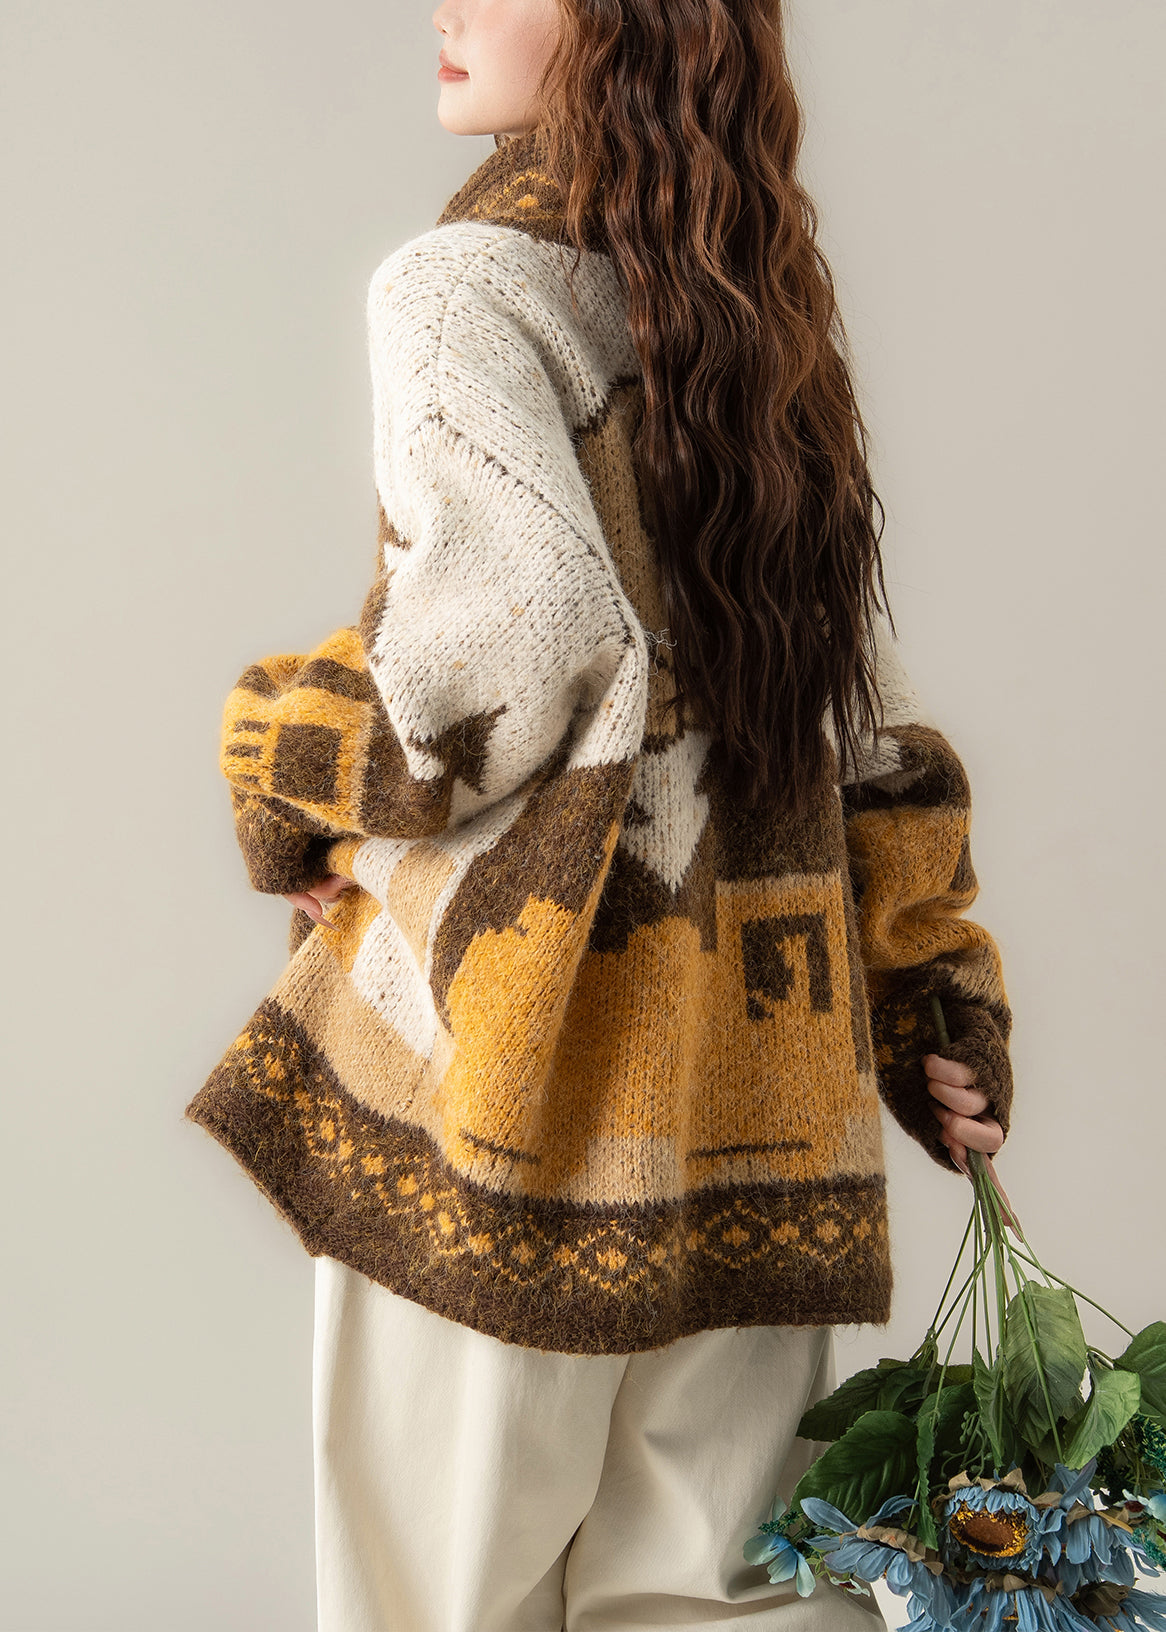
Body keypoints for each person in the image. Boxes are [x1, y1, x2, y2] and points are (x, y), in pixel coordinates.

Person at [185, 0, 1015, 1626]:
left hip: (522, 1094)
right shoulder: (754, 294)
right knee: (717, 1606)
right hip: (758, 1101)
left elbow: (516, 651)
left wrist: (279, 760)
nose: (445, 3)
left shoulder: (460, 285)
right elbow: (856, 699)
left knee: (438, 1603)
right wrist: (929, 983)